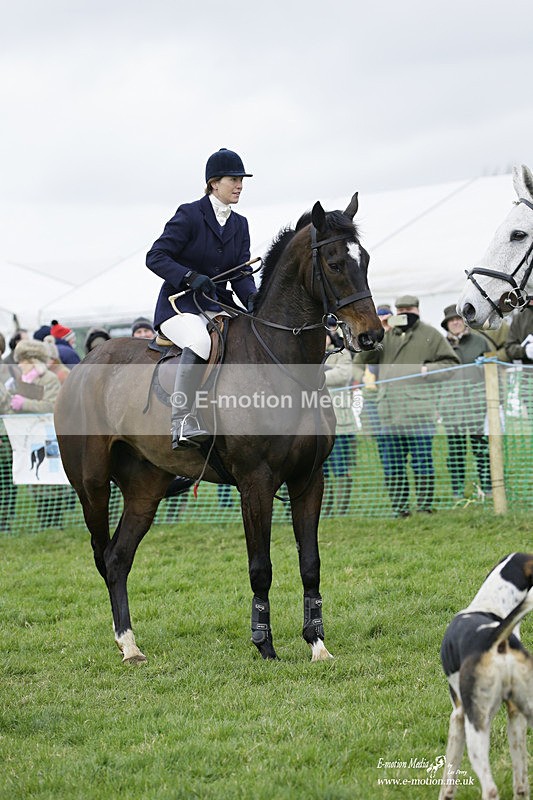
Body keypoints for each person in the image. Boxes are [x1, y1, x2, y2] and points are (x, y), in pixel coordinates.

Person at [146, 147, 257, 449]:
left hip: (218, 307)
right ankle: (181, 420)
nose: (239, 185)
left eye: (241, 180)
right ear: (213, 183)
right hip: (179, 306)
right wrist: (188, 276)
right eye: (233, 179)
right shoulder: (190, 214)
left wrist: (253, 300)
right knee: (200, 341)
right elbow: (155, 257)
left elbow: (241, 274)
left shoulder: (240, 224)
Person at [355, 294, 460, 516]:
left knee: (422, 463)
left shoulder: (430, 335)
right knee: (392, 465)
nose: (405, 315)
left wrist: (426, 371)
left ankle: (424, 507)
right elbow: (362, 360)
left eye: (409, 310)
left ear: (418, 311)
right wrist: (375, 334)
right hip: (388, 413)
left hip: (419, 413)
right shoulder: (386, 336)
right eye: (400, 311)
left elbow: (451, 364)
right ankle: (400, 508)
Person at [439, 305, 492, 499]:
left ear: (464, 322)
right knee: (455, 454)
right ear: (446, 325)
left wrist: (496, 402)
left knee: (482, 450)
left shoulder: (480, 342)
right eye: (451, 320)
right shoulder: (441, 345)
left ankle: (487, 488)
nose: (455, 322)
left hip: (477, 406)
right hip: (451, 410)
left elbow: (494, 372)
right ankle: (457, 491)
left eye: (458, 319)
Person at [322, 332, 357, 515]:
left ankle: (342, 508)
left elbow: (343, 375)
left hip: (341, 423)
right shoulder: (308, 353)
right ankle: (325, 508)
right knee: (322, 470)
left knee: (341, 467)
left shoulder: (341, 353)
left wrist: (316, 374)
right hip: (317, 424)